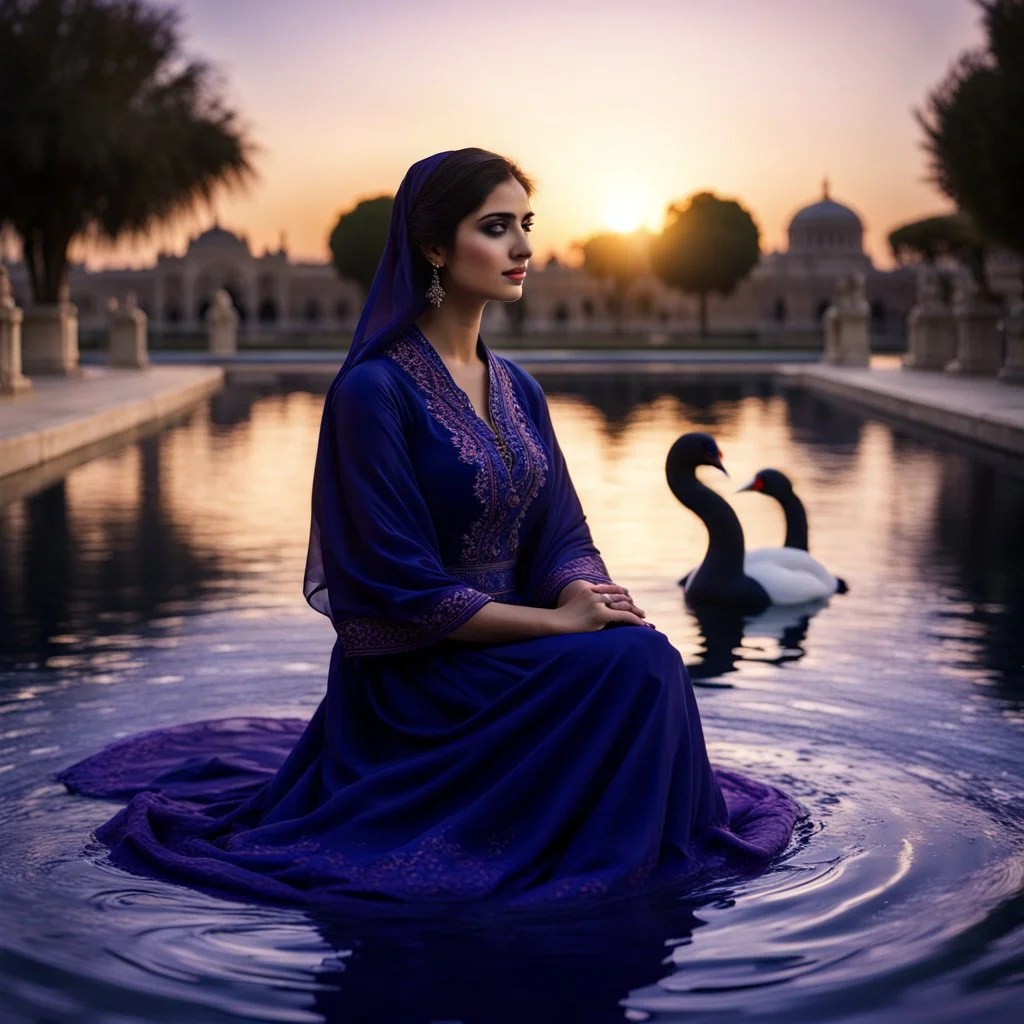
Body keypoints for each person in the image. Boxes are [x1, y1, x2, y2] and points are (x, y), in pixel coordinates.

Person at [56, 149, 801, 908]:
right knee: (635, 669)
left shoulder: (518, 388)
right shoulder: (374, 392)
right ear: (435, 246)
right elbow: (391, 588)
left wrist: (581, 592)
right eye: (495, 227)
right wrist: (556, 628)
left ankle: (617, 852)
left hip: (518, 647)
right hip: (419, 676)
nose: (523, 248)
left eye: (526, 225)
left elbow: (562, 530)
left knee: (645, 654)